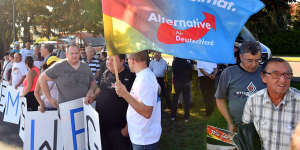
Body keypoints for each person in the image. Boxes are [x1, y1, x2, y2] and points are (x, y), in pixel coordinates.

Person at [242, 58, 300, 150]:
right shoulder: (253, 101)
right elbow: (246, 130)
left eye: (287, 74)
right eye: (276, 74)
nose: (283, 80)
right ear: (263, 77)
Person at [215, 41, 266, 133]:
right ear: (241, 57)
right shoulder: (228, 73)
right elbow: (220, 99)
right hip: (238, 126)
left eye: (257, 60)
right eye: (249, 60)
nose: (254, 64)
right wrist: (230, 122)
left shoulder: (266, 72)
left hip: (263, 125)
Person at [115, 50, 161, 150]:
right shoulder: (143, 75)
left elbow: (147, 112)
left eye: (127, 60)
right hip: (142, 136)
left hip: (144, 139)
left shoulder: (145, 78)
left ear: (132, 60)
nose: (127, 62)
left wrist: (125, 94)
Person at [88, 55, 135, 150]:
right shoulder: (106, 72)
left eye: (112, 60)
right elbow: (100, 89)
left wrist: (126, 130)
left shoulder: (131, 76)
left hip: (120, 129)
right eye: (108, 59)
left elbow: (135, 104)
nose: (108, 62)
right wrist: (93, 96)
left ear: (122, 61)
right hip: (103, 126)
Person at [171, 57, 193, 122]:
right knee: (186, 100)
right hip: (185, 82)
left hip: (179, 82)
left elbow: (173, 71)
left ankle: (173, 116)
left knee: (175, 99)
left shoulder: (175, 60)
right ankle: (186, 117)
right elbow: (190, 70)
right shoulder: (188, 60)